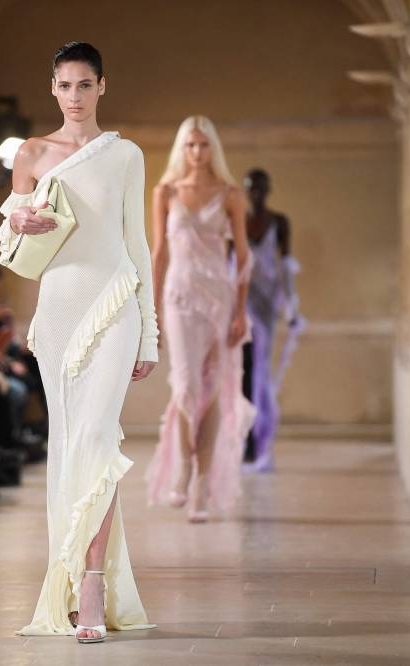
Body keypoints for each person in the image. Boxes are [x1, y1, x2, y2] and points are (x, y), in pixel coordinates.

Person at [0, 42, 157, 643]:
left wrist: (150, 335)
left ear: (102, 87)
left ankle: (93, 583)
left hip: (113, 303)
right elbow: (10, 244)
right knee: (68, 446)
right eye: (64, 85)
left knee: (96, 436)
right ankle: (67, 582)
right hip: (59, 307)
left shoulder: (126, 155)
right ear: (53, 88)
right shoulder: (31, 153)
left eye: (84, 85)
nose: (74, 96)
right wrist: (18, 219)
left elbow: (137, 243)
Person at [145, 116, 255, 523]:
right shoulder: (166, 191)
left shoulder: (230, 194)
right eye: (190, 145)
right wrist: (150, 313)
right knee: (187, 383)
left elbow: (243, 256)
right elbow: (159, 253)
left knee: (213, 387)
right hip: (178, 296)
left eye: (203, 145)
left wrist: (241, 309)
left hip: (219, 299)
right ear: (181, 148)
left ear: (213, 149)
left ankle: (202, 485)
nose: (197, 152)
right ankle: (186, 466)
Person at [242, 169, 304, 472]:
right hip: (241, 303)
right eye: (251, 188)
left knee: (260, 372)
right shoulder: (237, 221)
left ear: (268, 190)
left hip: (267, 304)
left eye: (261, 188)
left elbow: (286, 266)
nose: (256, 193)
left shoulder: (279, 223)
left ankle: (261, 439)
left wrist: (292, 308)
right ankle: (245, 443)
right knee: (243, 371)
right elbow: (230, 266)